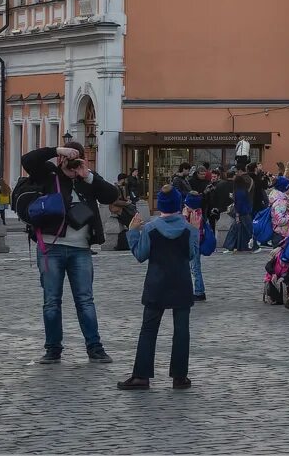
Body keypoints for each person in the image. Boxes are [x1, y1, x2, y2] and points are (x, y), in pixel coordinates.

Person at [21, 141, 119, 364]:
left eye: (77, 159)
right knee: (51, 301)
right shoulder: (48, 174)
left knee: (85, 300)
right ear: (61, 159)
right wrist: (56, 151)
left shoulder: (86, 179)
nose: (72, 165)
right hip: (50, 247)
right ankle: (53, 349)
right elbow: (28, 160)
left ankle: (95, 347)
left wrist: (89, 176)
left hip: (81, 250)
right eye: (68, 159)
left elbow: (111, 195)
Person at [117, 185, 197, 390]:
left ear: (160, 205)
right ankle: (180, 376)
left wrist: (133, 232)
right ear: (178, 205)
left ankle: (141, 375)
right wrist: (196, 231)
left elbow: (141, 255)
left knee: (149, 329)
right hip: (181, 283)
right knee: (181, 331)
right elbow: (191, 255)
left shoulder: (151, 228)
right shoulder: (188, 228)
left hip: (156, 283)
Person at [183, 193, 209, 303]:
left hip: (194, 243)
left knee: (195, 268)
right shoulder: (197, 212)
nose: (184, 207)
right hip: (194, 242)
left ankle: (199, 291)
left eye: (186, 205)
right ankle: (197, 290)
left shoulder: (195, 215)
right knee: (194, 268)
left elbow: (185, 227)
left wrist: (184, 216)